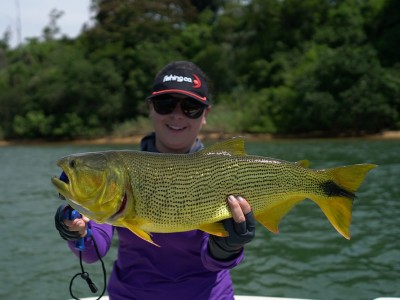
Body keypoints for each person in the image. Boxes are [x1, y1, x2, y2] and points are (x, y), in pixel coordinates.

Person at [55, 61, 256, 300]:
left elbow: (214, 262)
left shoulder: (222, 173)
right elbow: (92, 252)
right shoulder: (117, 171)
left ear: (205, 114)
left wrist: (229, 245)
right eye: (165, 104)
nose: (177, 115)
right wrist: (76, 230)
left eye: (190, 107)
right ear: (150, 107)